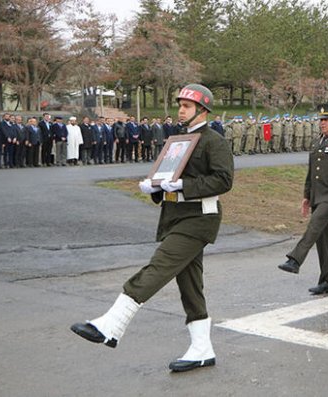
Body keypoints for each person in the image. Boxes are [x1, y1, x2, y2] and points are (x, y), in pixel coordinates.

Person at [71, 83, 234, 373]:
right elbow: (168, 176)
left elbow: (223, 180)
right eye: (180, 104)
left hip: (199, 219)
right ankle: (202, 349)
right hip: (175, 218)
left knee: (158, 266)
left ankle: (112, 325)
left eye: (187, 105)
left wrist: (185, 186)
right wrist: (155, 187)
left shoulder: (213, 141)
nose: (180, 109)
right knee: (190, 286)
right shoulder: (178, 140)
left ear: (202, 109)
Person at [277, 103, 328, 295]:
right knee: (322, 237)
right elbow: (311, 172)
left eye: (326, 120)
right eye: (320, 120)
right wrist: (306, 196)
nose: (322, 123)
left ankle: (295, 260)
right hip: (318, 195)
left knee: (315, 224)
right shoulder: (316, 142)